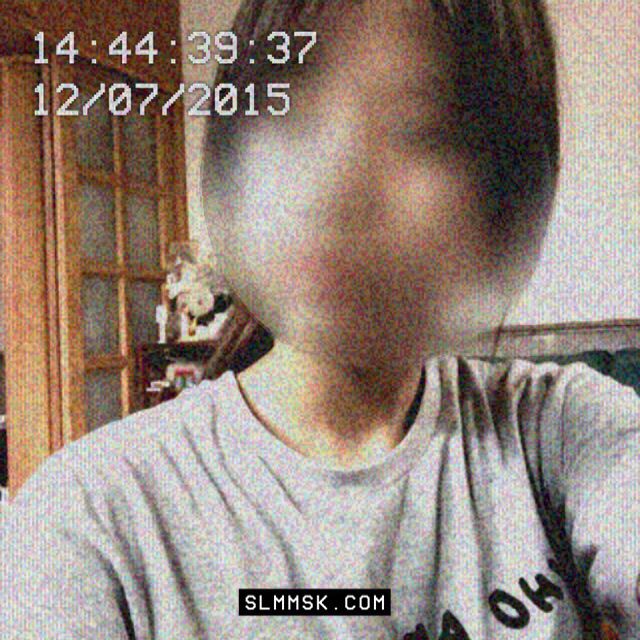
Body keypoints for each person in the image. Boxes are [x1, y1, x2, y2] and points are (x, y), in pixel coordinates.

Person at [1, 0, 638, 638]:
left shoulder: (559, 430)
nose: (335, 182)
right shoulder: (87, 518)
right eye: (292, 115)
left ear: (499, 198)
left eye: (417, 129)